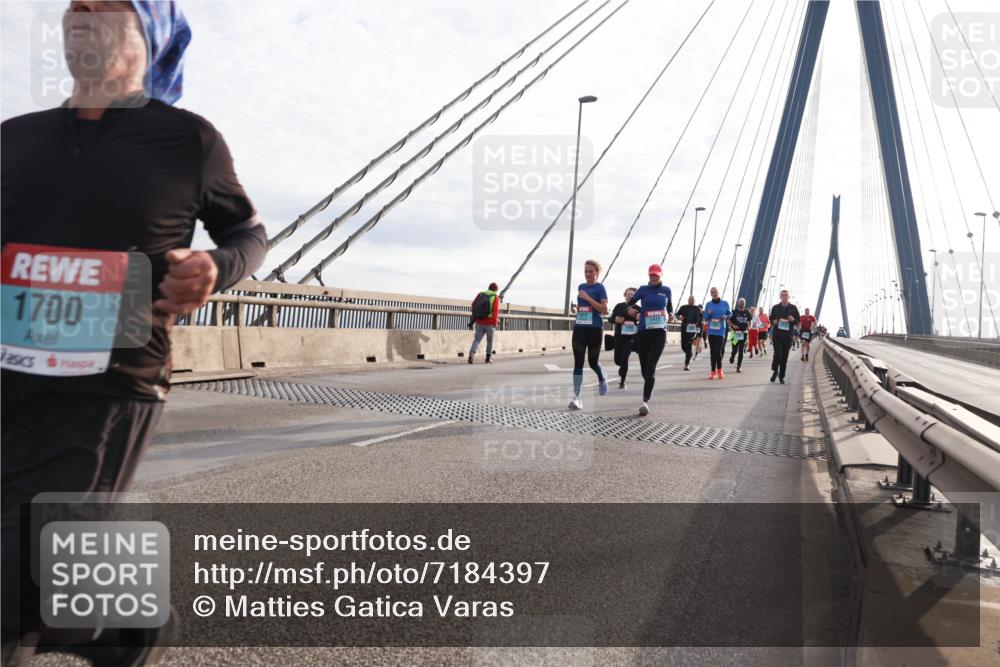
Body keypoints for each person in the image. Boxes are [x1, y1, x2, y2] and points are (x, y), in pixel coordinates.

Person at [2, 2, 267, 664]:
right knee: (32, 571)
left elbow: (247, 232)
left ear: (147, 36)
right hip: (8, 372)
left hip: (112, 375)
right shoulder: (13, 138)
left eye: (105, 4)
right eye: (75, 5)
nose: (80, 12)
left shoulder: (187, 141)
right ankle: (126, 626)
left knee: (16, 573)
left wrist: (215, 267)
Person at [625, 264, 673, 416]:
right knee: (644, 368)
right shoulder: (643, 290)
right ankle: (649, 384)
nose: (653, 277)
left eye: (656, 275)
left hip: (659, 333)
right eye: (651, 275)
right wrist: (630, 310)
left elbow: (670, 307)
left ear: (661, 276)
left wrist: (671, 314)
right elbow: (629, 304)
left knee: (651, 367)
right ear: (648, 275)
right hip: (644, 332)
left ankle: (645, 401)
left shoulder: (666, 291)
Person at [568, 259, 609, 410]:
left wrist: (587, 298)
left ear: (597, 273)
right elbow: (585, 307)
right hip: (580, 328)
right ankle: (576, 397)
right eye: (585, 271)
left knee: (592, 362)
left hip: (595, 330)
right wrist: (577, 308)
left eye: (591, 271)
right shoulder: (581, 286)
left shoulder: (600, 288)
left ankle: (602, 377)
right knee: (578, 363)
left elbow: (604, 310)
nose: (588, 274)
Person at [768, 289, 801, 384]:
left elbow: (798, 321)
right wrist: (773, 321)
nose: (784, 297)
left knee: (784, 358)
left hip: (788, 337)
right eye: (783, 295)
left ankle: (781, 376)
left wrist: (793, 319)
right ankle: (775, 371)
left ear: (789, 297)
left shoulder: (793, 308)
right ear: (780, 297)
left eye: (786, 295)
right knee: (778, 354)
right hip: (777, 335)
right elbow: (771, 318)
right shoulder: (775, 307)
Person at [610, 287, 639, 389]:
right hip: (619, 336)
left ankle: (623, 381)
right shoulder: (619, 306)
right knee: (617, 360)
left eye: (632, 294)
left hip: (631, 337)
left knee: (624, 358)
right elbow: (610, 318)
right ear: (625, 295)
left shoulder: (638, 308)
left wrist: (638, 317)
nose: (630, 295)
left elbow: (642, 320)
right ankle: (622, 368)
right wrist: (616, 320)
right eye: (628, 294)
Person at [468, 282, 501, 364]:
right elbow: (495, 311)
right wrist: (495, 322)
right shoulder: (495, 297)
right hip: (489, 323)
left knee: (477, 339)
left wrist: (477, 316)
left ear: (489, 288)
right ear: (496, 290)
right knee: (490, 340)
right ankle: (488, 358)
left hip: (479, 321)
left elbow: (473, 304)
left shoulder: (481, 294)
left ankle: (471, 354)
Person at [703, 287, 731, 380]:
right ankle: (712, 371)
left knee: (718, 351)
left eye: (715, 292)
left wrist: (726, 316)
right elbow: (705, 317)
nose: (714, 294)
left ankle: (719, 370)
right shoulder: (708, 304)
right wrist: (709, 314)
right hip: (711, 331)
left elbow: (730, 314)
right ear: (711, 294)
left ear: (718, 293)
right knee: (712, 352)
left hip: (720, 331)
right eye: (712, 292)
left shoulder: (725, 303)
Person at [675, 295, 703, 371]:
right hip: (684, 328)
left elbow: (702, 317)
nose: (691, 301)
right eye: (690, 299)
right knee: (683, 346)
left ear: (695, 301)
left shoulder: (698, 309)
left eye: (692, 300)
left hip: (692, 330)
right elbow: (676, 314)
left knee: (688, 345)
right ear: (688, 300)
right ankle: (689, 354)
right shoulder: (683, 307)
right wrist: (679, 318)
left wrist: (698, 325)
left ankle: (686, 365)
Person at [728, 298, 752, 373]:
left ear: (745, 304)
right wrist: (733, 325)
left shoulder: (747, 312)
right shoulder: (734, 312)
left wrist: (749, 326)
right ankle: (732, 356)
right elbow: (728, 320)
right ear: (738, 303)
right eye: (740, 302)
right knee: (734, 349)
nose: (742, 303)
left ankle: (739, 366)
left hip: (743, 333)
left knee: (741, 350)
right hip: (734, 333)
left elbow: (749, 321)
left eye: (743, 302)